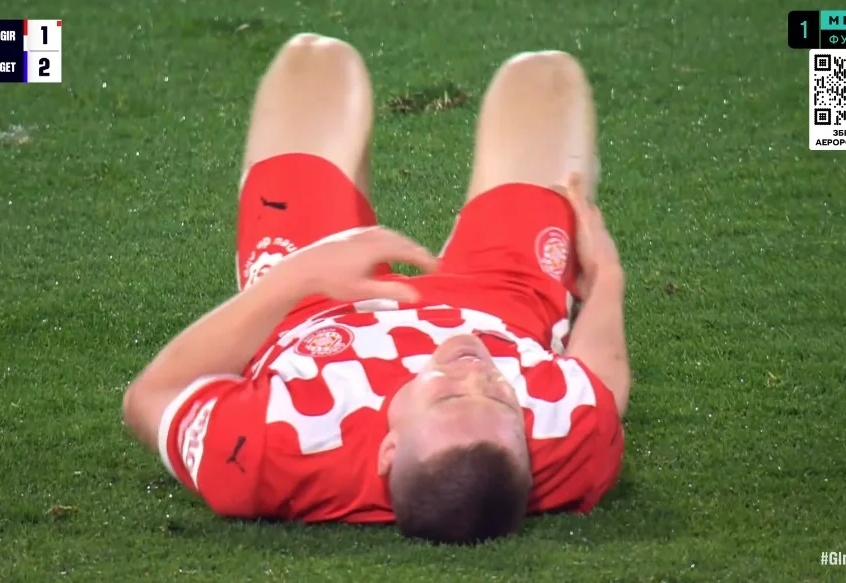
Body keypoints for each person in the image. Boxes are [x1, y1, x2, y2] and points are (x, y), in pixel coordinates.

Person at [121, 33, 630, 545]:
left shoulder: (276, 448)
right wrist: (606, 278)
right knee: (545, 78)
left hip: (316, 312)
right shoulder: (559, 439)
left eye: (447, 395)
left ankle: (38, 51)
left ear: (389, 451)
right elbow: (599, 387)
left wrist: (301, 274)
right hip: (501, 308)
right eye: (502, 399)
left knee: (315, 62)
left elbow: (151, 394)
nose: (475, 373)